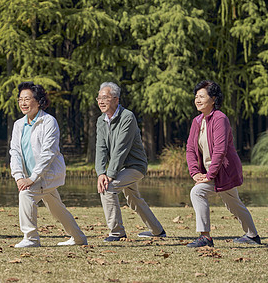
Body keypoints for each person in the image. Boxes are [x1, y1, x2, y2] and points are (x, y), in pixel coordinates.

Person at [9, 81, 87, 248]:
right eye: (20, 99)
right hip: (29, 176)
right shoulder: (18, 125)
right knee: (56, 207)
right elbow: (14, 152)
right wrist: (18, 176)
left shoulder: (49, 122)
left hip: (47, 174)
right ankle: (78, 238)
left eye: (27, 99)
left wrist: (32, 178)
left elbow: (48, 153)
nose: (23, 103)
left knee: (26, 195)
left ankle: (31, 238)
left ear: (38, 101)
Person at [186, 80, 261, 247]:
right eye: (196, 96)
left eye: (202, 96)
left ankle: (205, 237)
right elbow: (190, 149)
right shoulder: (197, 121)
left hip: (224, 171)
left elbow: (220, 151)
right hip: (209, 172)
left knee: (197, 192)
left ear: (213, 99)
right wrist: (195, 173)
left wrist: (209, 175)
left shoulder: (220, 119)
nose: (198, 100)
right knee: (234, 204)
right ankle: (252, 236)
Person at [95, 82, 165, 242]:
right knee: (133, 199)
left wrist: (110, 175)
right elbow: (100, 148)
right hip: (119, 169)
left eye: (104, 97)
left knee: (108, 189)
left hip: (135, 166)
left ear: (116, 99)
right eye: (99, 98)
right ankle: (157, 230)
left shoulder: (127, 117)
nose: (100, 101)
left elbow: (121, 148)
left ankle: (117, 232)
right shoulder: (101, 120)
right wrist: (100, 173)